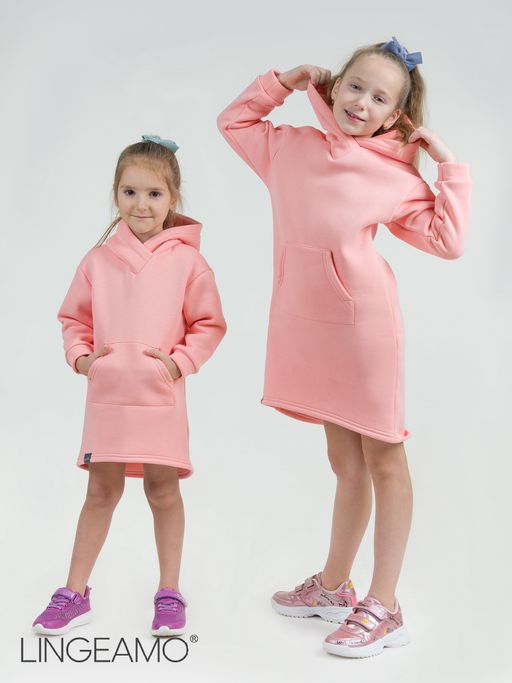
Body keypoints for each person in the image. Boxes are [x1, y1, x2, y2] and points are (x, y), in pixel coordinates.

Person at [217, 37, 471, 658]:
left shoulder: (394, 176)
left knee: (384, 458)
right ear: (333, 86)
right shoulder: (290, 148)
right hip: (309, 326)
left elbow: (448, 241)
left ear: (395, 116)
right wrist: (282, 81)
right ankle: (333, 586)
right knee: (344, 461)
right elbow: (234, 121)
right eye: (355, 86)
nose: (362, 102)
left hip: (364, 331)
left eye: (380, 98)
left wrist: (448, 167)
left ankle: (386, 606)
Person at [32, 134, 227, 637]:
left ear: (173, 198)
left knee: (163, 490)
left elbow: (208, 324)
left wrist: (178, 364)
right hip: (109, 398)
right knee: (100, 491)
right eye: (130, 192)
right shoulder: (97, 261)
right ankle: (74, 592)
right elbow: (73, 319)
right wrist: (83, 359)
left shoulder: (188, 262)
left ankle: (169, 591)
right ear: (115, 194)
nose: (142, 204)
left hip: (160, 398)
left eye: (154, 194)